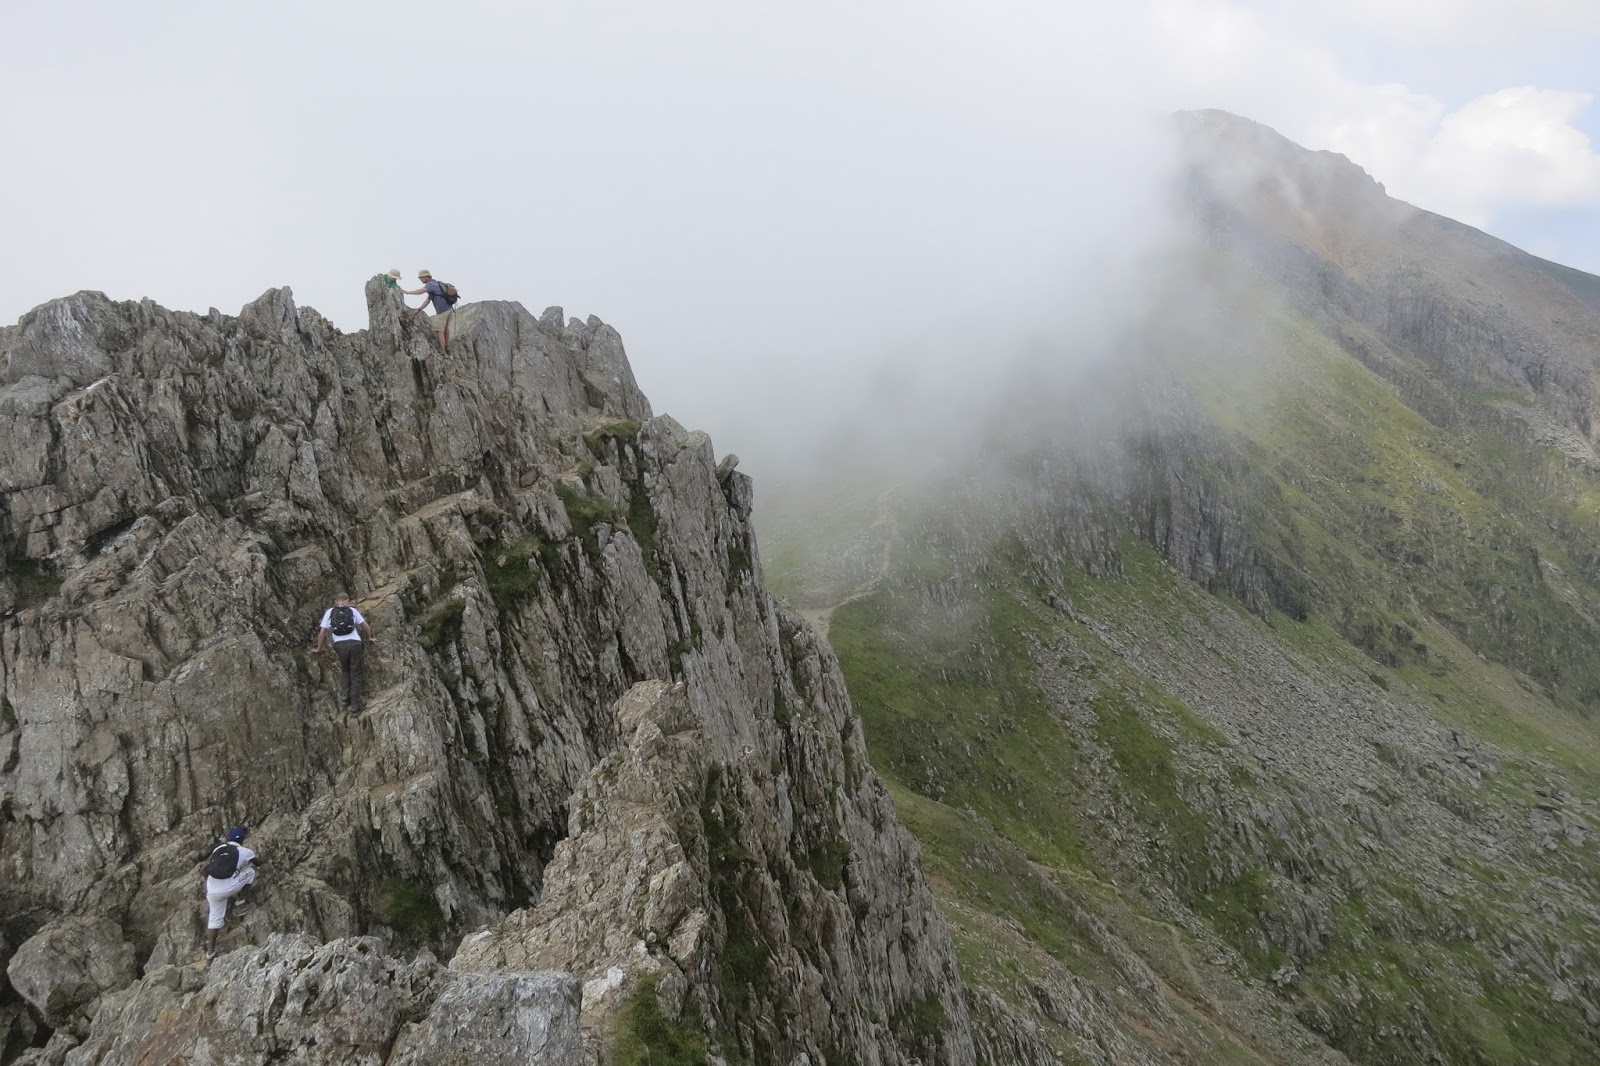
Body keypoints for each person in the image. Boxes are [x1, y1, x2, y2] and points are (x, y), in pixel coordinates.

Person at [200, 826, 258, 960]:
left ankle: (210, 953)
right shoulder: (244, 851)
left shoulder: (217, 849)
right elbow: (257, 863)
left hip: (212, 890)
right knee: (250, 872)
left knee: (214, 920)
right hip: (229, 888)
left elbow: (203, 869)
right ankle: (241, 902)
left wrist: (212, 882)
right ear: (242, 839)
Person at [312, 593, 375, 711]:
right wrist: (369, 638)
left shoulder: (330, 612)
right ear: (347, 601)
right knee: (355, 674)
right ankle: (355, 705)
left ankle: (345, 698)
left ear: (336, 601)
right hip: (355, 644)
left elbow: (322, 633)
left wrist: (318, 649)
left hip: (339, 646)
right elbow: (366, 627)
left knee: (345, 670)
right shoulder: (352, 610)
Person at [400, 269, 453, 351]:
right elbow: (428, 300)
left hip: (442, 311)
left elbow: (421, 291)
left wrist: (407, 292)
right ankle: (447, 346)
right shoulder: (437, 283)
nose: (420, 279)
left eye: (421, 278)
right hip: (449, 309)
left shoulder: (430, 285)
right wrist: (419, 309)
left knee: (439, 331)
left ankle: (443, 351)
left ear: (426, 277)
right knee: (446, 329)